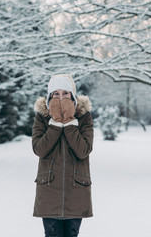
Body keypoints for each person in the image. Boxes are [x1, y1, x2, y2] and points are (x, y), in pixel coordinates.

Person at [32, 74, 94, 237]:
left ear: (72, 95)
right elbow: (39, 149)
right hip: (49, 189)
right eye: (56, 94)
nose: (61, 98)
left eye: (65, 93)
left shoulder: (84, 117)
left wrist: (69, 123)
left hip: (76, 189)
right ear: (49, 96)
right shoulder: (42, 118)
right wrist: (55, 124)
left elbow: (83, 150)